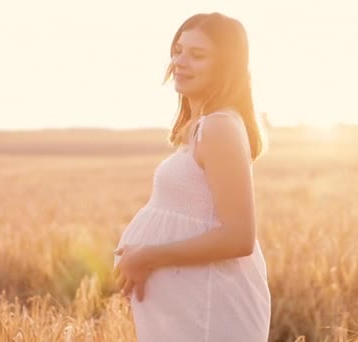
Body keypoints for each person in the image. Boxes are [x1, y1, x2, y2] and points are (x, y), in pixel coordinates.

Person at [113, 12, 271, 342]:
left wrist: (147, 256)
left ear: (225, 66)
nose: (180, 62)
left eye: (197, 55)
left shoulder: (220, 126)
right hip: (193, 308)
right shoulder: (202, 126)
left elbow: (239, 236)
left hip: (210, 310)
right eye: (178, 50)